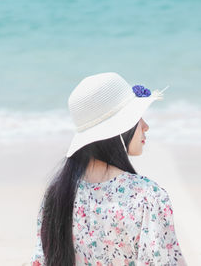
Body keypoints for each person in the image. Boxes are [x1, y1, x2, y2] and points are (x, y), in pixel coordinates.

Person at [31, 72, 187, 266]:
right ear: (119, 129)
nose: (146, 126)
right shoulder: (147, 196)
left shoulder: (57, 195)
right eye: (137, 117)